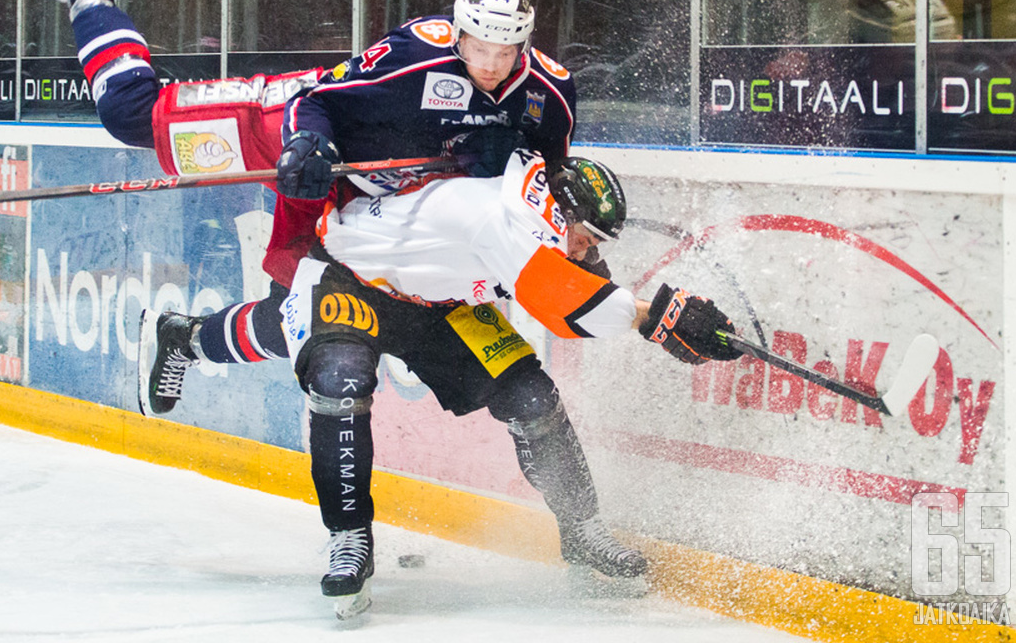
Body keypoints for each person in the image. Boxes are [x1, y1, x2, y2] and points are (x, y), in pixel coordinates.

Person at [0, 0, 578, 409]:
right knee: (130, 114)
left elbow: (552, 188)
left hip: (392, 214)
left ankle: (183, 338)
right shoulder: (416, 53)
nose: (492, 65)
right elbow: (320, 98)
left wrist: (518, 171)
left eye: (507, 51)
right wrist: (309, 142)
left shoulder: (549, 94)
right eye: (480, 47)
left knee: (299, 314)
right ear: (458, 31)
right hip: (316, 146)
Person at [278, 148, 741, 616]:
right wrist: (655, 318)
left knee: (532, 397)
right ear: (562, 214)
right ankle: (350, 537)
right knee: (341, 384)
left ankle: (582, 529)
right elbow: (562, 305)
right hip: (350, 281)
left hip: (440, 305)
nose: (583, 250)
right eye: (583, 238)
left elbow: (591, 286)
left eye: (593, 242)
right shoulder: (502, 218)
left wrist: (665, 316)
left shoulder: (550, 215)